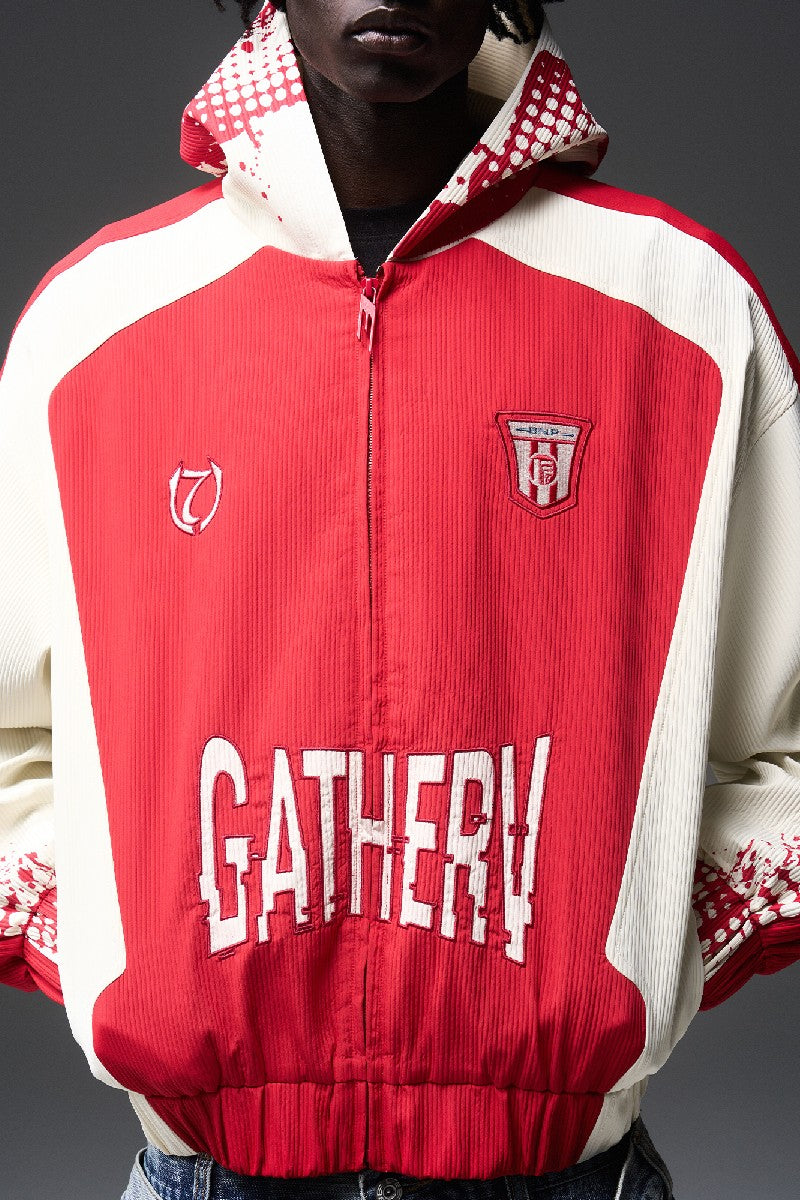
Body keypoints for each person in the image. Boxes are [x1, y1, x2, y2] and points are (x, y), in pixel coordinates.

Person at [1, 1, 798, 1198]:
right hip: (205, 1171)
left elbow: (780, 734)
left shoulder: (679, 302)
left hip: (556, 1172)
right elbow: (11, 734)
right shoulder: (96, 319)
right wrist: (141, 962)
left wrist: (625, 949)